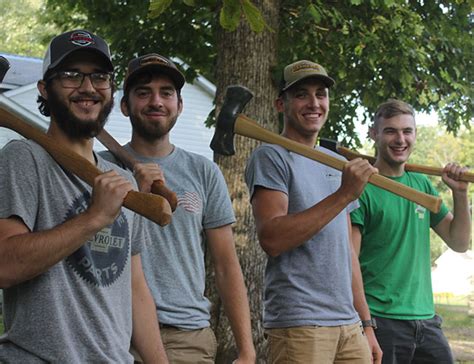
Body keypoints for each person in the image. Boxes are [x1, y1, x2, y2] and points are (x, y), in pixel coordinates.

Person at [0, 30, 168, 363]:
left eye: (99, 77)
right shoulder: (23, 159)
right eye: (70, 75)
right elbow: (4, 264)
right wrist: (93, 218)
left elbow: (135, 289)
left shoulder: (121, 181)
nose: (88, 87)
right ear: (44, 89)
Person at [100, 53, 255, 363]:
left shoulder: (203, 172)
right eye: (143, 93)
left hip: (189, 338)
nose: (156, 101)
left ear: (179, 106)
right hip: (118, 335)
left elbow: (226, 264)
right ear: (125, 105)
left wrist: (247, 349)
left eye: (166, 93)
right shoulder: (101, 169)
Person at [244, 59, 382, 363]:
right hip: (300, 324)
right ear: (282, 104)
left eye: (321, 93)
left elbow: (347, 251)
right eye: (302, 94)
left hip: (348, 324)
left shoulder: (334, 162)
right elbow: (273, 239)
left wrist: (367, 324)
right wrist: (345, 193)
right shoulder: (270, 156)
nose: (314, 103)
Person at [350, 99, 471, 364]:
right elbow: (350, 263)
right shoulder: (361, 187)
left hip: (427, 320)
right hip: (383, 320)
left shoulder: (422, 186)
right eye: (391, 131)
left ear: (415, 134)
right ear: (374, 134)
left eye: (407, 131)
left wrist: (459, 194)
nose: (400, 139)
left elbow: (459, 242)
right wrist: (366, 322)